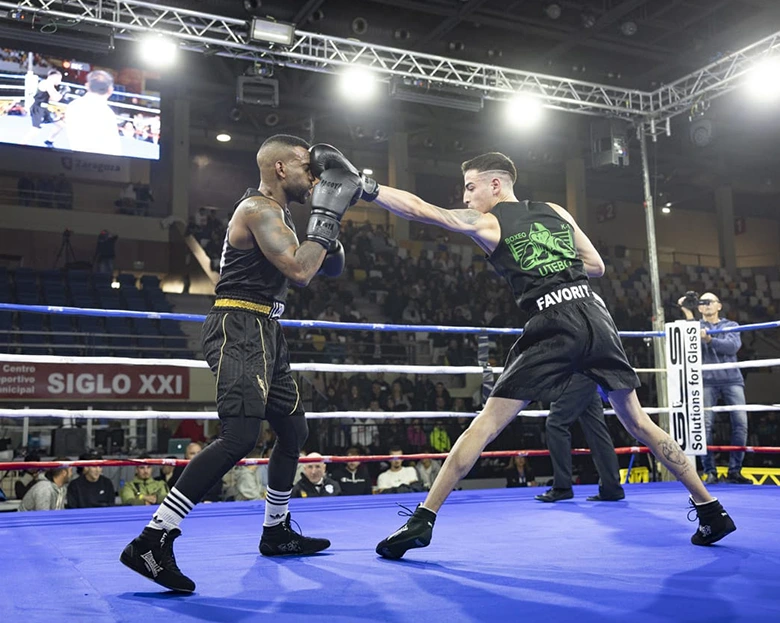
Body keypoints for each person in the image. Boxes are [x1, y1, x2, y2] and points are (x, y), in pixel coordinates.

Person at [307, 149, 738, 558]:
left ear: (495, 184)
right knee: (639, 422)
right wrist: (555, 264)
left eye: (470, 186)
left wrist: (367, 188)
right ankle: (710, 509)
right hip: (596, 315)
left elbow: (427, 212)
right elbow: (597, 267)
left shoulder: (490, 222)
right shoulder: (557, 211)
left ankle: (422, 520)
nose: (465, 196)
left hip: (552, 322)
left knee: (486, 425)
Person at [120, 134, 361, 592]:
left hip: (268, 330)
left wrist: (332, 219)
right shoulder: (258, 210)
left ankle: (276, 530)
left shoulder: (286, 214)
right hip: (238, 326)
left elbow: (331, 267)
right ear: (280, 169)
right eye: (306, 166)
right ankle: (152, 539)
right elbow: (301, 271)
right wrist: (326, 217)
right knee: (240, 436)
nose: (314, 175)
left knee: (293, 431)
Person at [678, 291, 750, 485]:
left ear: (719, 305)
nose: (707, 305)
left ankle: (735, 470)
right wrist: (686, 311)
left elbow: (732, 347)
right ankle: (710, 471)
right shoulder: (696, 326)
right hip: (706, 381)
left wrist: (709, 339)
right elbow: (687, 343)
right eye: (703, 302)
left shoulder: (731, 325)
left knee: (741, 424)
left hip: (732, 379)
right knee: (705, 427)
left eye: (710, 301)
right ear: (699, 307)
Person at [535, 374, 625, 502]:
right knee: (596, 431)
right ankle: (612, 487)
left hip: (577, 373)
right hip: (589, 374)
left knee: (556, 423)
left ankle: (562, 487)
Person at [65, 70, 121, 156]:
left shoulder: (72, 105)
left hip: (75, 160)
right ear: (110, 90)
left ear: (87, 86)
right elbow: (114, 150)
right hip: (100, 164)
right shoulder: (107, 115)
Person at [22, 69, 65, 148]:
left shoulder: (49, 84)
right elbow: (56, 98)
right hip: (38, 108)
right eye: (59, 79)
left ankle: (49, 141)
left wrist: (60, 94)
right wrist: (63, 92)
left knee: (60, 125)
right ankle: (22, 145)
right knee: (35, 129)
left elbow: (51, 99)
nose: (59, 81)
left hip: (44, 108)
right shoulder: (47, 83)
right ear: (54, 77)